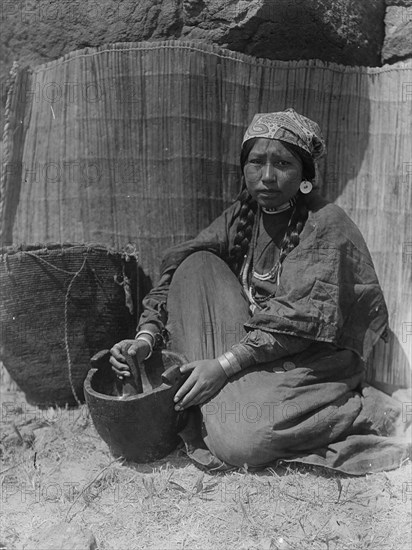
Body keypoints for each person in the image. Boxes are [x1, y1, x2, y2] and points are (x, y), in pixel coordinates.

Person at [110, 108, 410, 475]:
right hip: (253, 346)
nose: (267, 176)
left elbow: (298, 322)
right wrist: (147, 336)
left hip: (310, 359)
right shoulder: (243, 215)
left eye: (282, 163)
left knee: (239, 443)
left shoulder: (327, 225)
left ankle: (366, 411)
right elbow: (177, 270)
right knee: (195, 264)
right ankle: (218, 397)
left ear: (305, 175)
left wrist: (221, 366)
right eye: (256, 162)